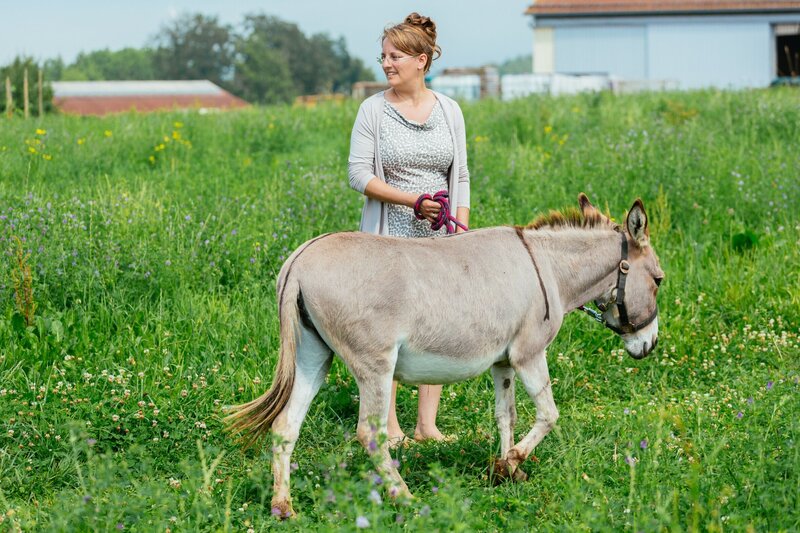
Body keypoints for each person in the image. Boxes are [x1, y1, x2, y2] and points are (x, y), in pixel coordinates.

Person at [347, 12, 470, 444]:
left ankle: (427, 425)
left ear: (421, 60)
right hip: (390, 237)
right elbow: (359, 175)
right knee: (390, 329)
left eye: (395, 56)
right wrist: (412, 201)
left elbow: (462, 176)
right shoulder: (373, 110)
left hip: (439, 236)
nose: (386, 64)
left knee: (436, 325)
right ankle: (391, 425)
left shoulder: (450, 110)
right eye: (383, 56)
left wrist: (461, 236)